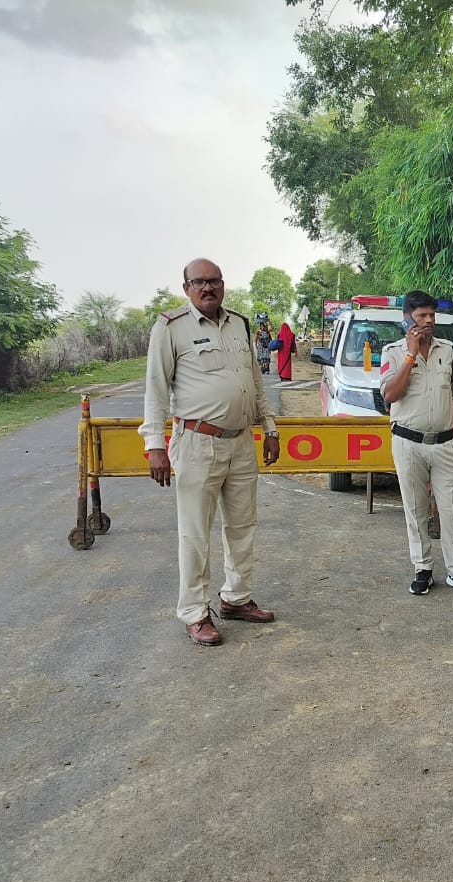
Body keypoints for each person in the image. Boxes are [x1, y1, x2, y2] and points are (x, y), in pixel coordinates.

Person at [139, 258, 281, 647]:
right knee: (195, 533)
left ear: (223, 284)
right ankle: (194, 612)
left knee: (243, 525)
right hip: (196, 443)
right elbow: (155, 388)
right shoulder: (170, 327)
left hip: (241, 442)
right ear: (186, 287)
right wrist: (154, 444)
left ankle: (236, 597)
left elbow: (254, 381)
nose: (208, 288)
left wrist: (269, 427)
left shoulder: (239, 324)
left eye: (214, 281)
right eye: (199, 282)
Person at [380, 290, 453, 598]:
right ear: (406, 318)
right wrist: (410, 355)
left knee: (451, 509)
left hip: (445, 442)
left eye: (432, 315)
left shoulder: (448, 350)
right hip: (408, 442)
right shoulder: (392, 352)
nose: (429, 321)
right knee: (415, 509)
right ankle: (422, 568)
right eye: (422, 315)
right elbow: (390, 395)